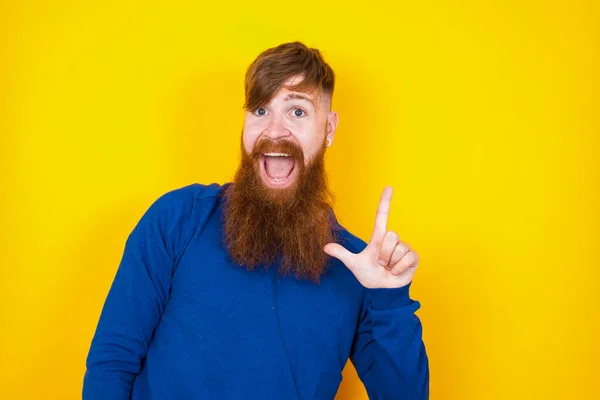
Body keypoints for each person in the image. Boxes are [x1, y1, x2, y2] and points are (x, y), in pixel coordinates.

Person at [83, 41, 429, 400]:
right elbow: (112, 363)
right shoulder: (178, 218)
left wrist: (390, 299)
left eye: (297, 112)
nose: (275, 131)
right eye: (260, 110)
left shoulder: (359, 267)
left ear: (329, 128)